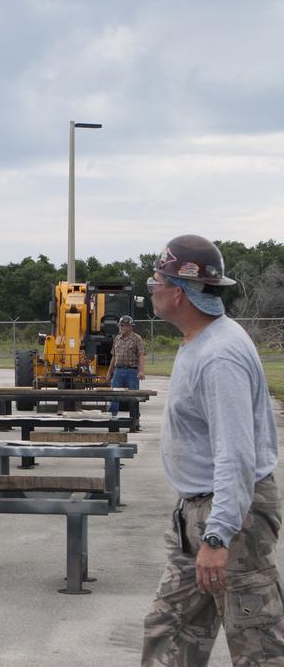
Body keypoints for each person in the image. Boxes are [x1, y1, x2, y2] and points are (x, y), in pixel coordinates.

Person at [141, 235, 284, 665]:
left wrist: (218, 536)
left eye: (157, 279)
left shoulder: (220, 355)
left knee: (256, 644)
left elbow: (237, 453)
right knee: (170, 630)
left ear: (180, 293)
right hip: (196, 511)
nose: (151, 287)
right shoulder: (199, 340)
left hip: (230, 515)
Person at [105, 314, 146, 418]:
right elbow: (114, 357)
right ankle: (112, 417)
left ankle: (134, 419)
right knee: (114, 395)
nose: (121, 327)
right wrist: (109, 372)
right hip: (118, 371)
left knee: (133, 396)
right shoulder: (117, 339)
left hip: (132, 371)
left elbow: (141, 355)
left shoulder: (137, 339)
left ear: (130, 327)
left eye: (123, 326)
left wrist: (141, 371)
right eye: (120, 325)